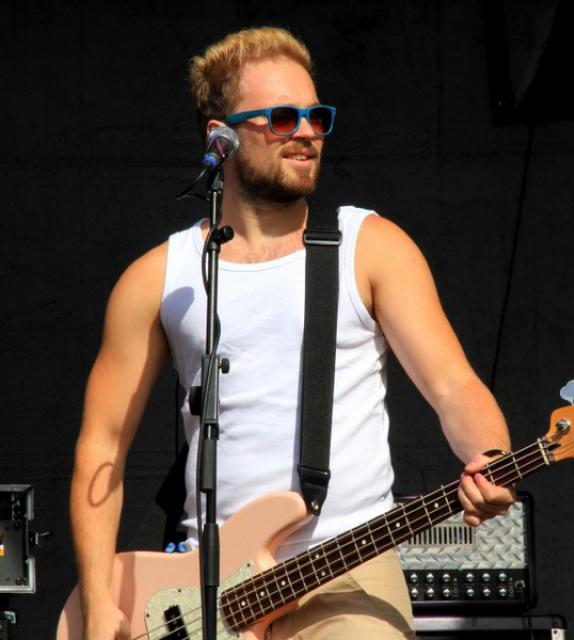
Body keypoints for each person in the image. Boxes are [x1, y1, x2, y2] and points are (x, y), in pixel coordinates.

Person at [70, 26, 515, 640]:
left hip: (346, 572)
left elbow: (452, 385)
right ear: (221, 137)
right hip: (199, 593)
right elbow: (102, 449)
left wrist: (489, 455)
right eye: (283, 118)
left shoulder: (370, 247)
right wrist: (99, 604)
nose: (307, 132)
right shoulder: (158, 279)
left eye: (316, 117)